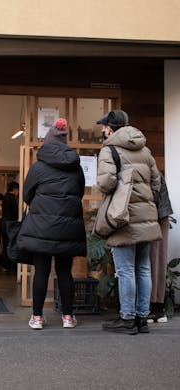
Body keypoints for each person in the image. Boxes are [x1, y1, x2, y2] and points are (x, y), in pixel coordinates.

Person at [96, 110, 162, 335]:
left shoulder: (109, 149)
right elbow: (156, 183)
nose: (103, 130)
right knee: (143, 269)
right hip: (146, 216)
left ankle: (127, 319)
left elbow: (106, 183)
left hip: (122, 217)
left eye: (104, 127)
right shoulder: (145, 149)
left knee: (125, 271)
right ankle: (142, 319)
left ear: (110, 128)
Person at [17, 118, 86, 330]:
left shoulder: (38, 167)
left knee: (41, 271)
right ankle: (67, 317)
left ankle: (37, 318)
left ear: (47, 141)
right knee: (65, 272)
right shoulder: (76, 167)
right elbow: (79, 193)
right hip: (67, 227)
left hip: (42, 227)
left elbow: (27, 194)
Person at [148, 174, 173, 323]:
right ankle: (157, 307)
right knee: (158, 261)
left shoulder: (142, 166)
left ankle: (152, 308)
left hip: (151, 216)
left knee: (150, 262)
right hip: (160, 214)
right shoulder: (152, 166)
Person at [1, 181, 19, 271]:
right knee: (11, 245)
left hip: (3, 222)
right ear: (14, 189)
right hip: (10, 224)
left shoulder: (5, 197)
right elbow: (15, 212)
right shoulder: (12, 199)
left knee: (5, 245)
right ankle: (11, 266)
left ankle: (5, 266)